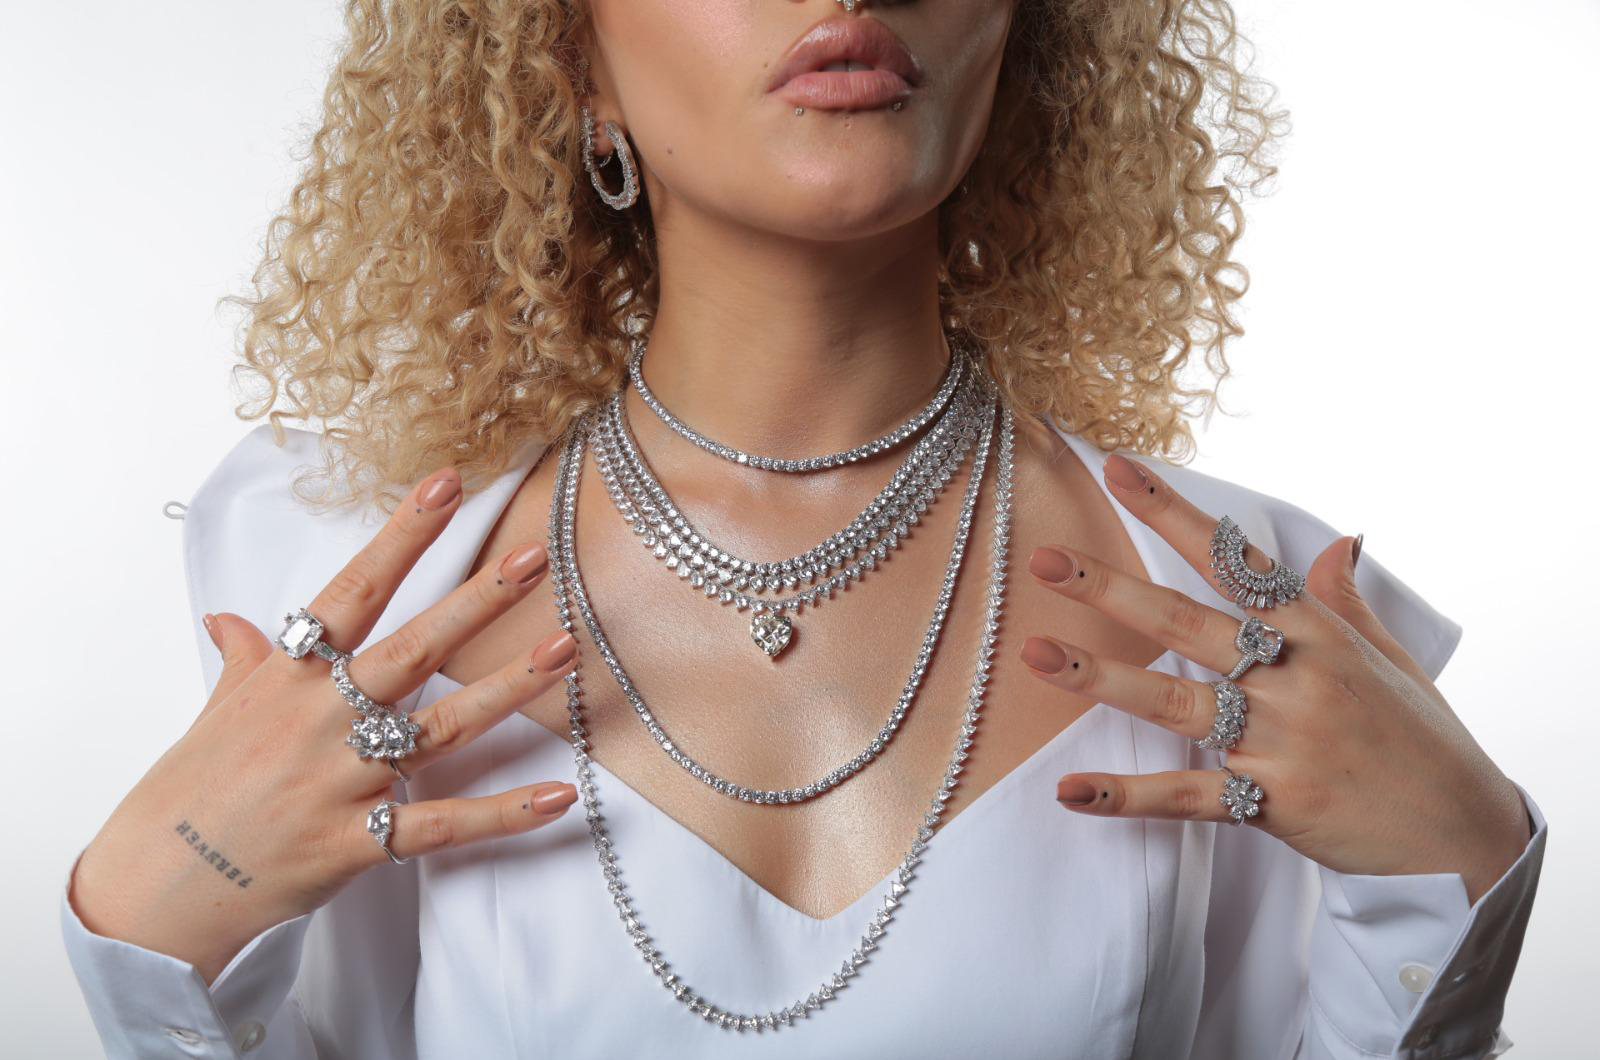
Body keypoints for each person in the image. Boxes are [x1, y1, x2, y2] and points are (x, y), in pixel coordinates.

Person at [59, 1, 1546, 1057]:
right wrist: (148, 950)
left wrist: (1456, 891)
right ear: (571, 58)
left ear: (1023, 41)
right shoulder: (339, 584)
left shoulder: (1243, 620)